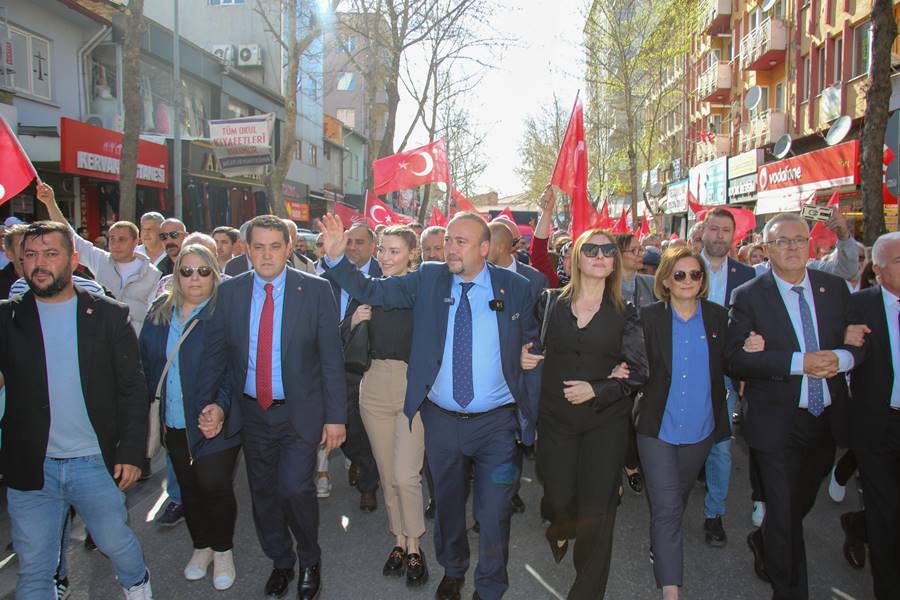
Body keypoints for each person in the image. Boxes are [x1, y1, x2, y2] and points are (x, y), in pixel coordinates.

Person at [319, 211, 540, 600]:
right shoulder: (429, 279)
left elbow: (532, 341)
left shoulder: (516, 287)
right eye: (448, 240)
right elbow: (373, 290)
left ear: (485, 249)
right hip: (441, 421)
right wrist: (337, 259)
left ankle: (489, 588)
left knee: (493, 514)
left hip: (497, 425)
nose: (450, 249)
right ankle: (453, 570)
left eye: (460, 242)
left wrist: (529, 358)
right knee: (448, 508)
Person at [0, 221, 152, 599]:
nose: (40, 263)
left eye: (51, 254)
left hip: (94, 462)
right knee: (36, 567)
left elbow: (132, 390)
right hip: (31, 466)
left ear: (73, 260)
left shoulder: (108, 316)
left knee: (115, 542)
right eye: (31, 255)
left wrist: (132, 453)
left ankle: (137, 584)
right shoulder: (6, 319)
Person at [198, 215, 347, 600]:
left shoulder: (314, 291)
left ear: (288, 248)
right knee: (263, 494)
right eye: (258, 246)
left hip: (300, 413)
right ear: (246, 249)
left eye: (274, 246)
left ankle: (309, 558)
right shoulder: (230, 293)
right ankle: (281, 560)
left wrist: (335, 418)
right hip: (252, 414)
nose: (266, 255)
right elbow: (218, 357)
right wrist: (214, 404)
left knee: (295, 489)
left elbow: (332, 359)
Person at [726, 212, 860, 600]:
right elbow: (734, 359)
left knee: (798, 505)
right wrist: (799, 362)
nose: (792, 248)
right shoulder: (749, 295)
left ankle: (764, 541)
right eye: (781, 241)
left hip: (825, 422)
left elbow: (859, 342)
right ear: (767, 249)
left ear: (811, 245)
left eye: (799, 239)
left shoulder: (834, 289)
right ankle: (790, 591)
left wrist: (842, 358)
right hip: (776, 423)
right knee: (785, 515)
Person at [521, 227, 647, 600]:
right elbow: (527, 342)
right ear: (575, 257)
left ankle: (587, 591)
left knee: (599, 508)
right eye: (590, 249)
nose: (599, 255)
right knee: (558, 494)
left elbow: (639, 372)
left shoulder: (627, 314)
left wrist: (599, 387)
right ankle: (560, 525)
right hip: (556, 419)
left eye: (607, 251)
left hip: (604, 423)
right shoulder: (548, 303)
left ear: (614, 262)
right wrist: (522, 355)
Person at [139, 244, 242, 591]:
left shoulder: (225, 313)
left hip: (215, 421)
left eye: (203, 271)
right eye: (186, 271)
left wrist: (222, 406)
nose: (194, 278)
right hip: (174, 421)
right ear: (176, 275)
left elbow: (236, 370)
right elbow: (147, 364)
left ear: (215, 273)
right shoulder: (159, 312)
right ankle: (202, 547)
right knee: (190, 489)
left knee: (214, 485)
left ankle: (223, 550)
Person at [635, 246, 732, 600]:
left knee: (677, 497)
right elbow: (631, 360)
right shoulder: (648, 318)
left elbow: (733, 360)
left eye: (695, 274)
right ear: (665, 279)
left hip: (702, 430)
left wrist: (752, 347)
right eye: (680, 274)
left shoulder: (718, 317)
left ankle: (661, 546)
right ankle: (671, 588)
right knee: (666, 506)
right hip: (657, 428)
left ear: (703, 280)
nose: (688, 281)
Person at [342, 226, 429, 587]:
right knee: (386, 471)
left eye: (395, 251)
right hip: (373, 385)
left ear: (412, 254)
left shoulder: (422, 288)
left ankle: (415, 545)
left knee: (406, 474)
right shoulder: (367, 290)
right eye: (383, 251)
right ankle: (398, 540)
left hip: (412, 387)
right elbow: (341, 337)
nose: (386, 257)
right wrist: (353, 321)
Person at [845, 231, 900, 599]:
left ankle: (856, 524)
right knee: (888, 515)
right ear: (878, 270)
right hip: (879, 427)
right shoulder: (859, 307)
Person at [696, 207, 756, 547]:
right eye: (714, 229)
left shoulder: (748, 275)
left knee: (721, 447)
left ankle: (713, 514)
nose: (719, 236)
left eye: (725, 231)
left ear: (733, 236)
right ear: (704, 232)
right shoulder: (683, 268)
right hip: (687, 369)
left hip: (727, 375)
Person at [36, 183, 161, 335]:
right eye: (112, 238)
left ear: (136, 241)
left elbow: (155, 316)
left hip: (136, 343)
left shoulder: (153, 274)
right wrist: (50, 202)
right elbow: (69, 237)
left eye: (122, 239)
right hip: (101, 339)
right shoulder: (101, 259)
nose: (115, 244)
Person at [320, 223, 382, 511]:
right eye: (349, 242)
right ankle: (359, 461)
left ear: (373, 246)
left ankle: (368, 485)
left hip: (373, 369)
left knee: (367, 430)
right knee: (344, 429)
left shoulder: (385, 279)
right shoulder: (325, 280)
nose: (353, 247)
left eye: (359, 242)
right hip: (337, 368)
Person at [615, 232, 658, 496]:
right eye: (634, 250)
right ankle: (618, 474)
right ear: (618, 255)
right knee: (618, 421)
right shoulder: (604, 286)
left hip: (646, 365)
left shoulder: (651, 284)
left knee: (638, 420)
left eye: (641, 249)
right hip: (615, 366)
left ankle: (632, 462)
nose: (640, 254)